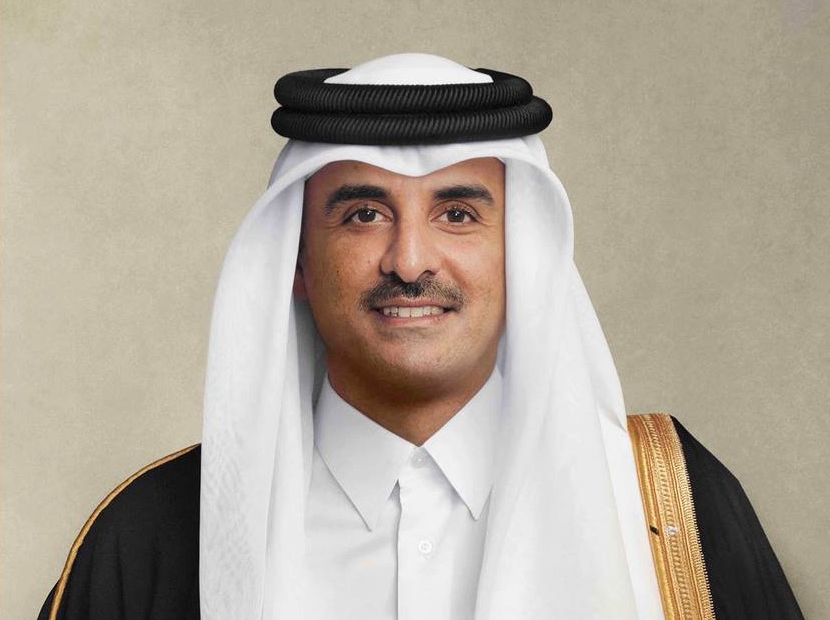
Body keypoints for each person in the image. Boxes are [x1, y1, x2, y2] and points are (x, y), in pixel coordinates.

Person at [38, 54, 803, 620]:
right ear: (295, 263)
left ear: (525, 259)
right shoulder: (157, 532)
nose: (408, 261)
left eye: (458, 214)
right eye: (363, 214)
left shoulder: (667, 502)